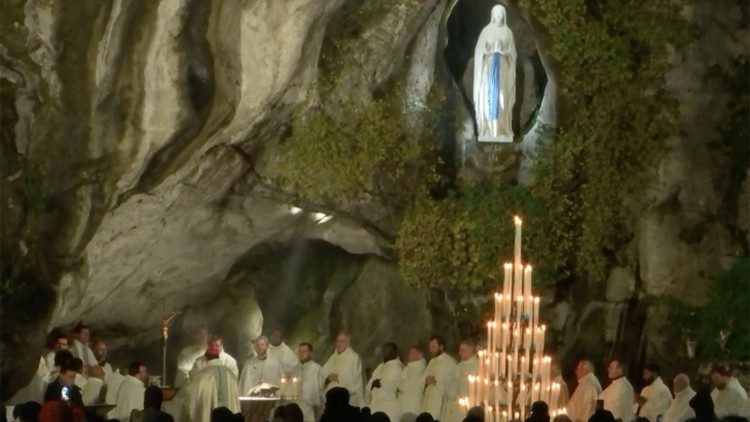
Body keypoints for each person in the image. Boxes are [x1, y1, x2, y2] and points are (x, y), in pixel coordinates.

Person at [183, 343, 240, 421]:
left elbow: (193, 403)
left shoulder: (201, 376)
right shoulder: (230, 375)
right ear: (218, 357)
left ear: (206, 357)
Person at [320, 332, 365, 407]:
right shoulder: (333, 357)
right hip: (331, 398)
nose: (338, 344)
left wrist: (339, 377)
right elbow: (322, 374)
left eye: (342, 341)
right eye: (337, 341)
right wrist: (327, 379)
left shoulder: (354, 358)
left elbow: (356, 380)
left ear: (348, 343)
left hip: (348, 400)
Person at [421, 335, 457, 420]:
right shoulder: (432, 362)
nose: (431, 350)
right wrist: (426, 381)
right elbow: (424, 378)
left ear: (441, 346)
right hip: (428, 399)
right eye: (430, 347)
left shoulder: (450, 362)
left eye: (433, 347)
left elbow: (452, 385)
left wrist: (436, 382)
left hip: (440, 401)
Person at [366, 342, 403, 422]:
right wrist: (373, 384)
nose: (383, 352)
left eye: (386, 350)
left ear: (393, 352)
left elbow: (393, 384)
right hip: (376, 404)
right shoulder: (380, 366)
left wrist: (380, 384)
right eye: (383, 350)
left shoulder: (397, 366)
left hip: (388, 406)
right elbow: (371, 382)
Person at [445, 340, 480, 422]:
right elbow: (449, 384)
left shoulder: (478, 366)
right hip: (455, 406)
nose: (459, 353)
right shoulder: (459, 367)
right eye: (460, 350)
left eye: (462, 350)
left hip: (470, 406)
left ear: (471, 350)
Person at [294, 342, 322, 422]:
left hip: (310, 406)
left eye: (304, 351)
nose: (301, 354)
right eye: (300, 351)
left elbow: (320, 389)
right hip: (296, 406)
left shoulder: (317, 368)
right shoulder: (295, 369)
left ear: (310, 353)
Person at [399, 345, 427, 420]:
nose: (409, 355)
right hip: (403, 402)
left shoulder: (422, 368)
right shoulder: (406, 368)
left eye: (413, 353)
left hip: (414, 402)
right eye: (409, 353)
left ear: (420, 355)